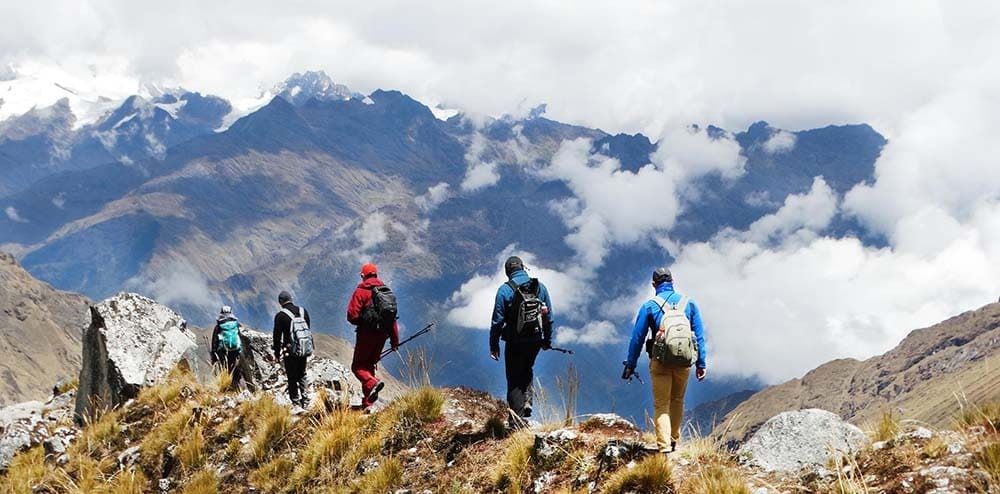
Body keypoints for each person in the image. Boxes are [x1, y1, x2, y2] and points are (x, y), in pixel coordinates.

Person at [623, 267, 707, 454]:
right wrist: (701, 363)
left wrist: (631, 364)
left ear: (654, 285)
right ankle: (674, 440)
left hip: (659, 361)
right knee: (677, 400)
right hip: (684, 362)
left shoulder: (649, 306)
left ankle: (664, 447)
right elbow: (699, 336)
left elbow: (637, 338)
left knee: (661, 404)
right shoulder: (689, 304)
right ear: (672, 282)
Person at [489, 256, 553, 422]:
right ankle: (527, 401)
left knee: (514, 377)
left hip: (514, 341)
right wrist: (547, 340)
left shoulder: (504, 290)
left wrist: (494, 345)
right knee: (527, 369)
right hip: (535, 341)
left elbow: (497, 321)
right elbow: (549, 317)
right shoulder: (540, 287)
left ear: (508, 271)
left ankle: (516, 421)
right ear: (523, 268)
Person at [347, 263, 400, 410]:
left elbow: (352, 315)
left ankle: (373, 384)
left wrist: (362, 322)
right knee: (369, 366)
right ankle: (368, 404)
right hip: (382, 336)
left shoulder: (361, 291)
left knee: (358, 366)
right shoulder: (385, 292)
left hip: (366, 335)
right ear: (376, 274)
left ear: (363, 276)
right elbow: (392, 320)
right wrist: (394, 341)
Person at [272, 291, 312, 408]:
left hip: (289, 350)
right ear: (292, 299)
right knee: (302, 373)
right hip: (303, 348)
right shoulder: (303, 311)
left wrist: (277, 354)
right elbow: (307, 329)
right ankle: (306, 400)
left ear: (280, 302)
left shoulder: (280, 316)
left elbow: (277, 336)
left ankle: (296, 403)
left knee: (292, 376)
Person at [210, 305, 243, 390]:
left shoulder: (219, 326)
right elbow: (240, 338)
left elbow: (214, 341)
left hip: (222, 351)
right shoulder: (236, 324)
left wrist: (213, 356)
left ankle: (225, 387)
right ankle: (235, 387)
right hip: (235, 351)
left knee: (224, 369)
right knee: (235, 369)